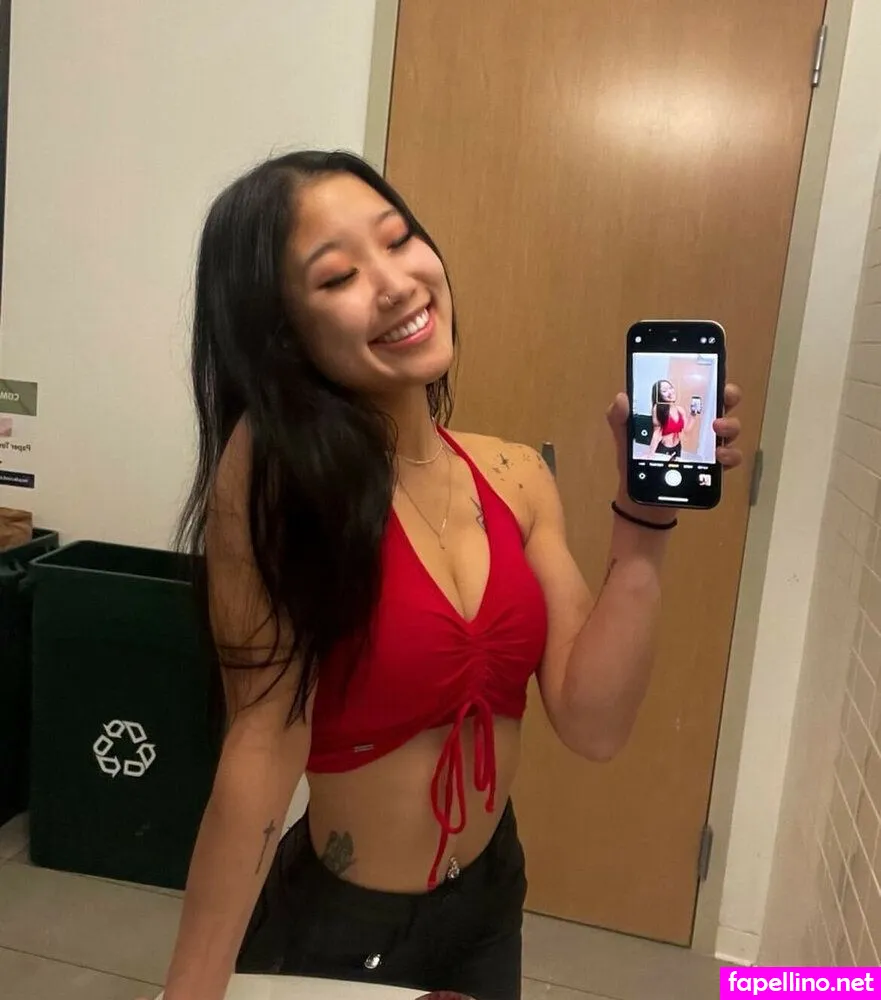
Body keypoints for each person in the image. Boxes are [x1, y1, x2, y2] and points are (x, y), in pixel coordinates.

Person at [159, 149, 743, 1000]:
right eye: (338, 277)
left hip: (488, 902)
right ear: (282, 332)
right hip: (343, 927)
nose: (397, 283)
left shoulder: (516, 475)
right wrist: (191, 989)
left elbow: (592, 722)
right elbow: (260, 744)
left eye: (399, 240)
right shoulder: (278, 477)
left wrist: (644, 518)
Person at [647, 379, 694, 461]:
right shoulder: (657, 408)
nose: (670, 392)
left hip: (677, 447)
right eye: (664, 391)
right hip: (663, 448)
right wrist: (650, 454)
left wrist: (693, 415)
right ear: (659, 395)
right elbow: (657, 433)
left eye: (670, 388)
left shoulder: (680, 410)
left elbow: (686, 430)